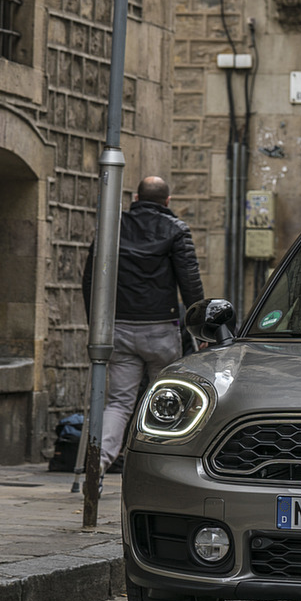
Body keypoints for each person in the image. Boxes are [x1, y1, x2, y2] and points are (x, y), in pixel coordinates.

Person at [82, 176, 204, 474]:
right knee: (168, 400)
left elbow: (90, 278)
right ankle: (159, 467)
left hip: (120, 327)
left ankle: (98, 463)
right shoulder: (176, 230)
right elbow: (189, 283)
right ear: (168, 202)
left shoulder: (114, 227)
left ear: (135, 198)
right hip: (161, 329)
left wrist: (97, 323)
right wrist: (201, 328)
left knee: (120, 402)